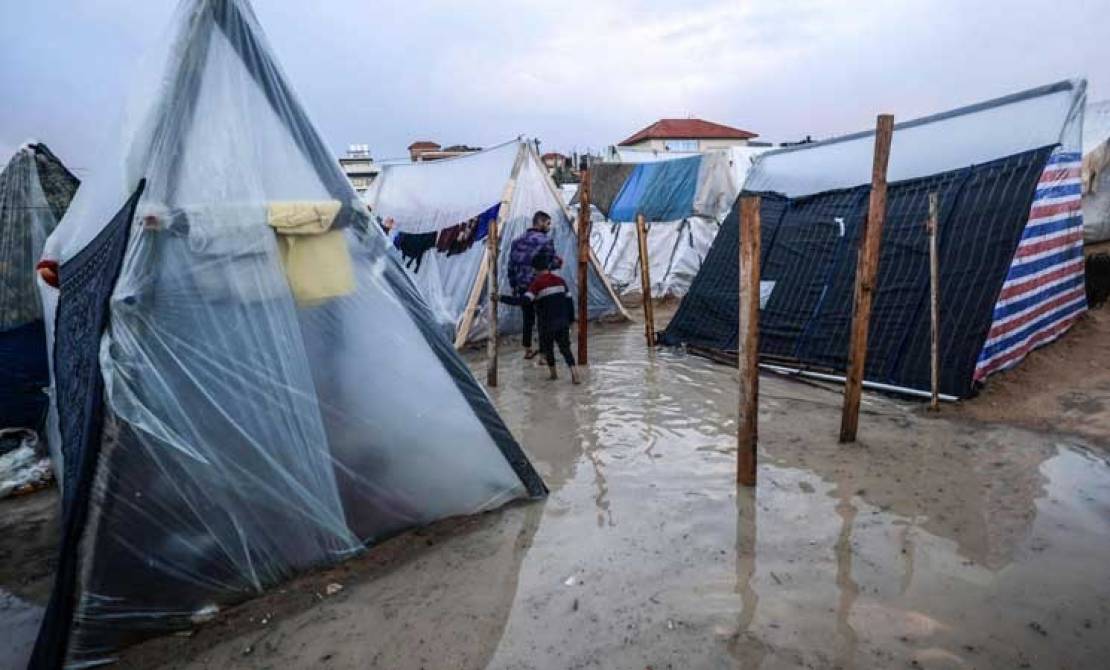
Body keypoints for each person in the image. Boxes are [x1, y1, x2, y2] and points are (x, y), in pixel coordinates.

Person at [524, 252, 580, 384]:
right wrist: (571, 321)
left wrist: (501, 298)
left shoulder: (536, 284)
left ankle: (554, 375)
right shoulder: (560, 281)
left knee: (549, 349)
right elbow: (569, 302)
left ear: (535, 269)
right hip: (562, 322)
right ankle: (575, 374)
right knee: (565, 349)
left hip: (546, 324)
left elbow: (525, 301)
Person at [509, 211, 558, 359]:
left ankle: (527, 349)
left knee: (527, 318)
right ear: (540, 222)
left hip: (522, 286)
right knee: (544, 318)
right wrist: (557, 263)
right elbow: (551, 263)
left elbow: (511, 266)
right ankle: (544, 353)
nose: (549, 227)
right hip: (541, 285)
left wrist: (513, 285)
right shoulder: (545, 241)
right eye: (548, 223)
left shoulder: (516, 241)